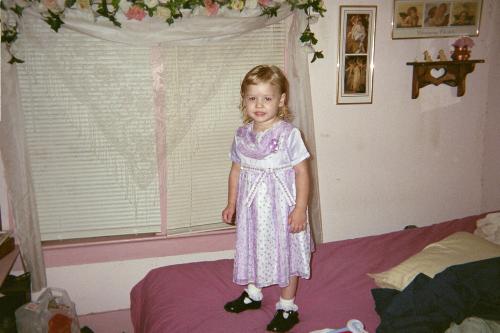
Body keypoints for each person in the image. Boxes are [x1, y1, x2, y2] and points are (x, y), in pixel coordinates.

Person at [222, 64, 313, 332]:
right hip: (253, 210)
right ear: (244, 101)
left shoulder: (289, 134)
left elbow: (303, 173)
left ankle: (287, 306)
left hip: (283, 208)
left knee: (287, 253)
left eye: (267, 98)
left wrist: (300, 209)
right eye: (252, 98)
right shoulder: (241, 135)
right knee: (254, 247)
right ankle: (254, 292)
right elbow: (236, 170)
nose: (259, 105)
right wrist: (231, 202)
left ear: (281, 100)